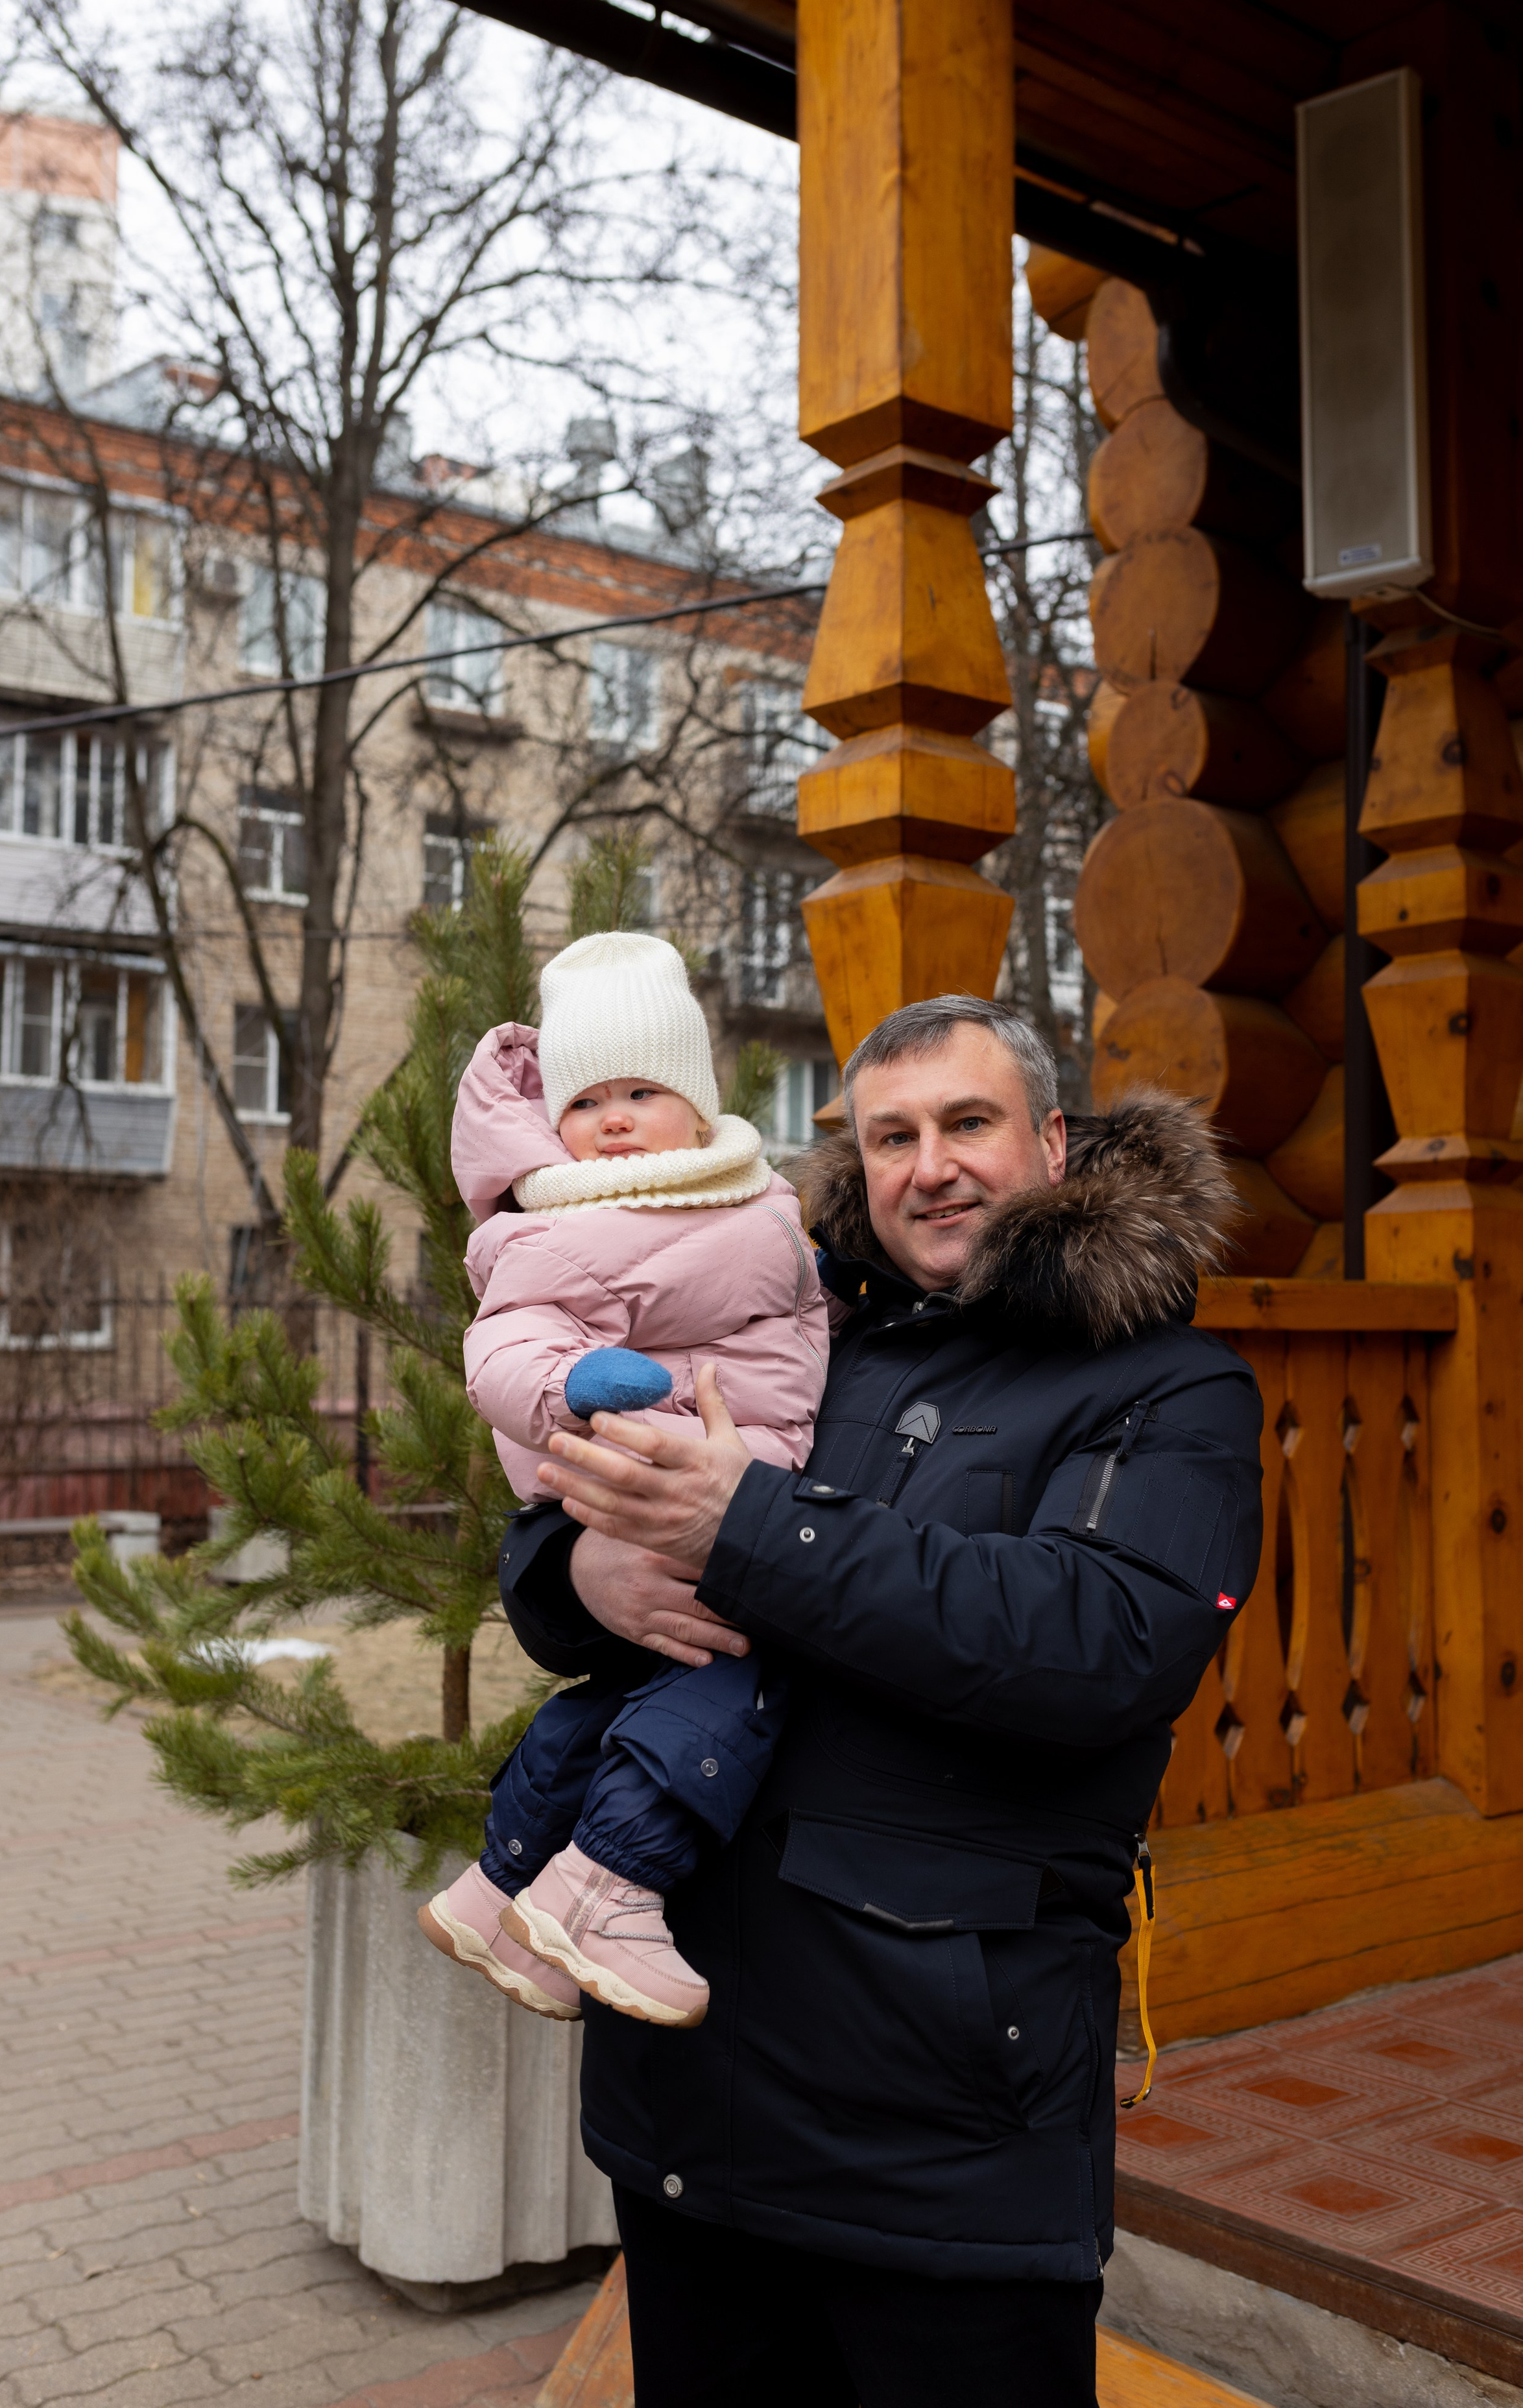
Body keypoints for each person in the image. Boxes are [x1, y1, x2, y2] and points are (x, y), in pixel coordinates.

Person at [497, 994, 1264, 2408]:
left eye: (967, 1124)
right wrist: (575, 1577)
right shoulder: (785, 1330)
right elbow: (566, 1514)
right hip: (692, 2105)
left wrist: (750, 1528)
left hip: (943, 2135)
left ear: (1049, 1140)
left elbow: (1096, 1644)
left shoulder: (1164, 1388)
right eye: (890, 1135)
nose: (931, 1167)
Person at [418, 930, 828, 2030]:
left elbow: (784, 1310)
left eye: (640, 1090)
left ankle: (505, 1886)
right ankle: (610, 1885)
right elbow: (498, 1354)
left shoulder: (743, 1194)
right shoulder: (565, 1220)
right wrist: (572, 1384)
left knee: (622, 1703)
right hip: (652, 1476)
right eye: (585, 1098)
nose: (610, 1118)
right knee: (741, 1672)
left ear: (697, 1106)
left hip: (736, 1485)